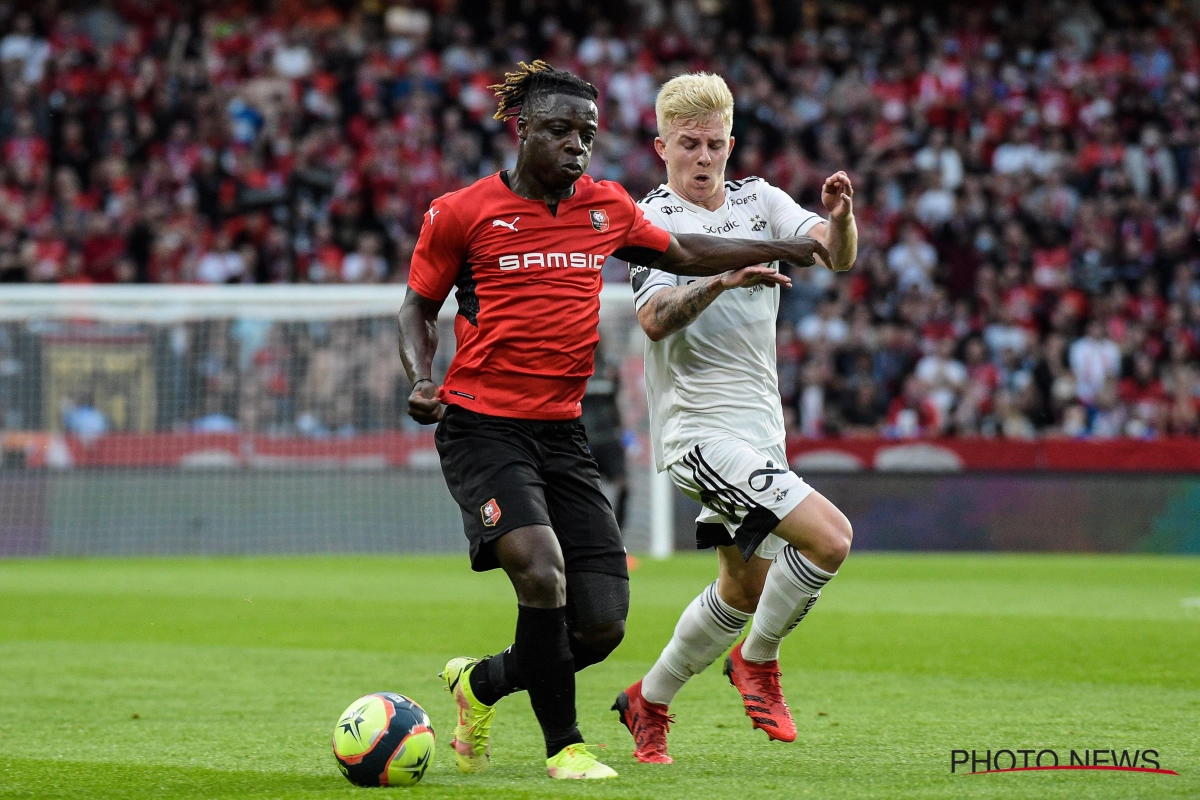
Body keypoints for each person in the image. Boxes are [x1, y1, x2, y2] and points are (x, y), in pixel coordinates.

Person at [396, 61, 831, 781]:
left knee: (598, 627)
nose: (576, 145)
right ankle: (566, 746)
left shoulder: (606, 207)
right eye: (561, 130)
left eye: (588, 134)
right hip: (483, 426)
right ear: (522, 128)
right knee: (541, 573)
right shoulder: (461, 211)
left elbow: (687, 251)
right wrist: (420, 378)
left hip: (563, 433)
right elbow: (416, 306)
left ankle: (479, 684)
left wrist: (782, 247)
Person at [611, 73, 857, 764]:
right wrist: (720, 280)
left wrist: (839, 217)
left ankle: (647, 701)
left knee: (744, 585)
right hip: (697, 432)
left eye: (714, 144)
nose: (702, 157)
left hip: (758, 431)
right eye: (688, 144)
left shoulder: (760, 201)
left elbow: (835, 257)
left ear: (730, 144)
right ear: (662, 146)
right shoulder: (650, 219)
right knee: (830, 539)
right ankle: (759, 662)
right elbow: (655, 319)